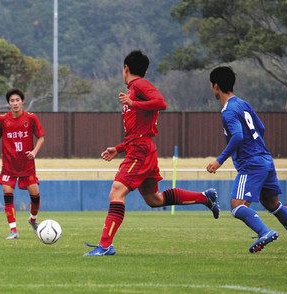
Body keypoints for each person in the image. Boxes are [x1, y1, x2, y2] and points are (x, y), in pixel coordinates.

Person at [84, 50, 220, 256]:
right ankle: (204, 198)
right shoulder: (133, 90)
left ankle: (105, 246)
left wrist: (134, 103)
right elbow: (139, 129)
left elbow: (161, 102)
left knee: (116, 192)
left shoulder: (138, 86)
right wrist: (118, 148)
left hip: (140, 151)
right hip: (140, 147)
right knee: (153, 199)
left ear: (126, 69)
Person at [206, 66, 287, 253]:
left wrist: (219, 160)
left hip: (250, 163)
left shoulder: (228, 111)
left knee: (237, 206)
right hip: (265, 158)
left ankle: (265, 232)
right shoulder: (243, 103)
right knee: (272, 203)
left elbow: (238, 136)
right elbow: (261, 127)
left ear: (216, 86)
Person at [0, 89, 45, 240]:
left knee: (35, 196)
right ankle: (13, 230)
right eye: (12, 101)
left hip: (27, 165)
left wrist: (34, 152)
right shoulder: (2, 119)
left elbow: (41, 138)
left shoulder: (31, 118)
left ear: (22, 101)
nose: (15, 103)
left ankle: (33, 220)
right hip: (9, 166)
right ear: (9, 103)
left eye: (17, 100)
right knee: (8, 196)